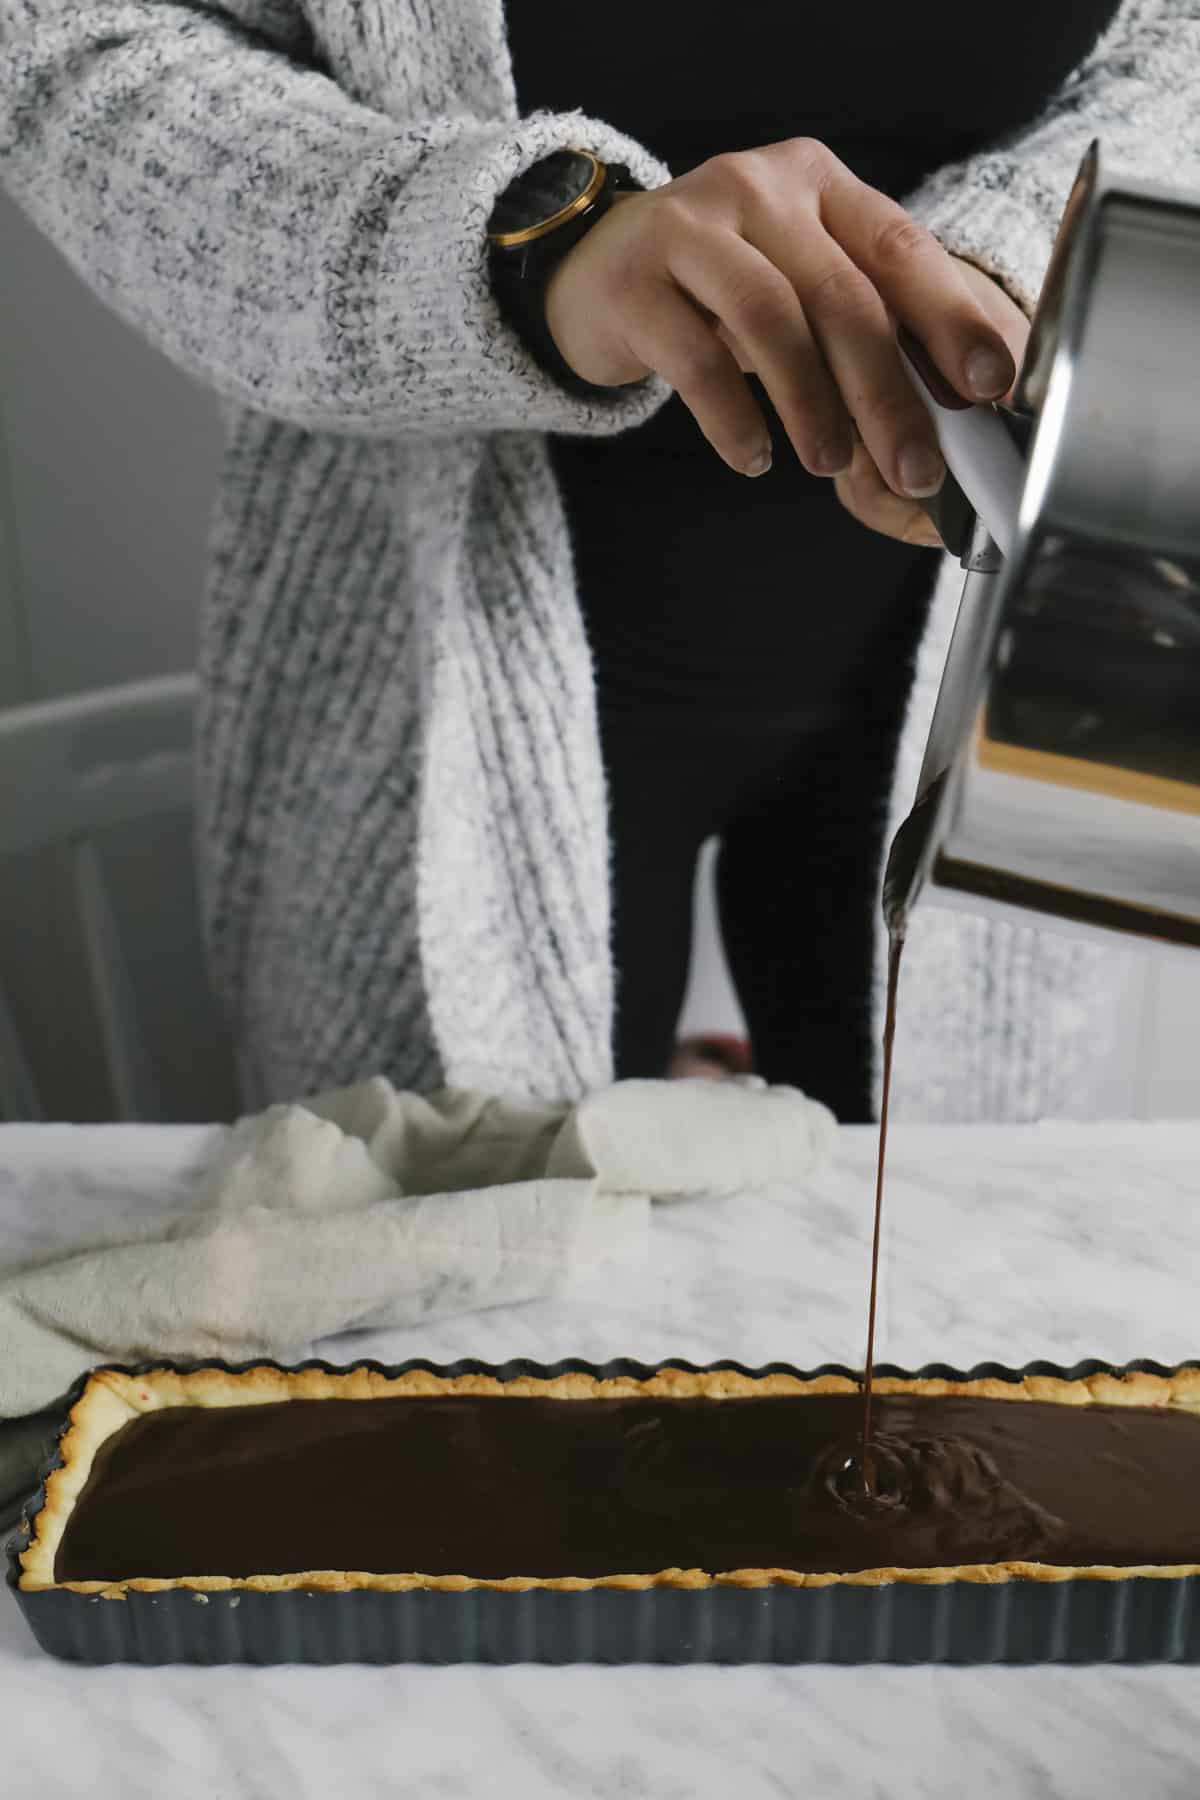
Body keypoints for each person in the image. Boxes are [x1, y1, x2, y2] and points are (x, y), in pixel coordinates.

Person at [0, 3, 1193, 1119]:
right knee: (441, 1304)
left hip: (1023, 637)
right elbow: (65, 37)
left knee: (970, 1291)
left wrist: (1031, 255)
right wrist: (537, 242)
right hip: (428, 668)